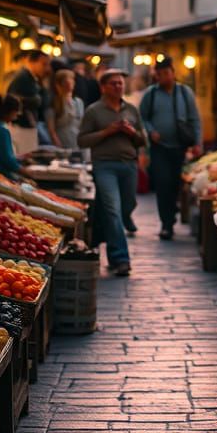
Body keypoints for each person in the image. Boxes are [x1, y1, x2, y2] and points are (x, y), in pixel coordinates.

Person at [77, 69, 146, 277]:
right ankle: (120, 259)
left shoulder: (132, 110)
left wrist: (131, 132)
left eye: (121, 83)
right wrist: (107, 132)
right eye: (114, 83)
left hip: (129, 165)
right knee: (113, 209)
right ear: (103, 87)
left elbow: (142, 140)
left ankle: (102, 234)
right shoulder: (94, 111)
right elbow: (82, 140)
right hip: (105, 165)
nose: (118, 86)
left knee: (126, 207)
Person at [139, 57, 202, 240]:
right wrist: (151, 131)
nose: (163, 77)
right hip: (159, 148)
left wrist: (198, 143)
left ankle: (171, 215)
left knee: (174, 184)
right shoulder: (150, 94)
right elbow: (142, 118)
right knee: (162, 183)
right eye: (159, 74)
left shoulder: (184, 93)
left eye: (166, 73)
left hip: (179, 147)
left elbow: (194, 119)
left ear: (173, 73)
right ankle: (166, 224)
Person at [7, 50, 51, 136]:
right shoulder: (23, 78)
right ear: (32, 62)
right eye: (44, 64)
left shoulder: (32, 78)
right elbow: (14, 101)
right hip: (23, 127)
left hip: (28, 125)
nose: (47, 68)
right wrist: (36, 100)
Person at [45, 68, 85, 150]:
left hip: (77, 141)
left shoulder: (78, 102)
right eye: (66, 82)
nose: (69, 84)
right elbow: (51, 129)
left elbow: (82, 124)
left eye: (71, 80)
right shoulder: (54, 103)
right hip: (62, 141)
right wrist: (58, 144)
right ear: (59, 84)